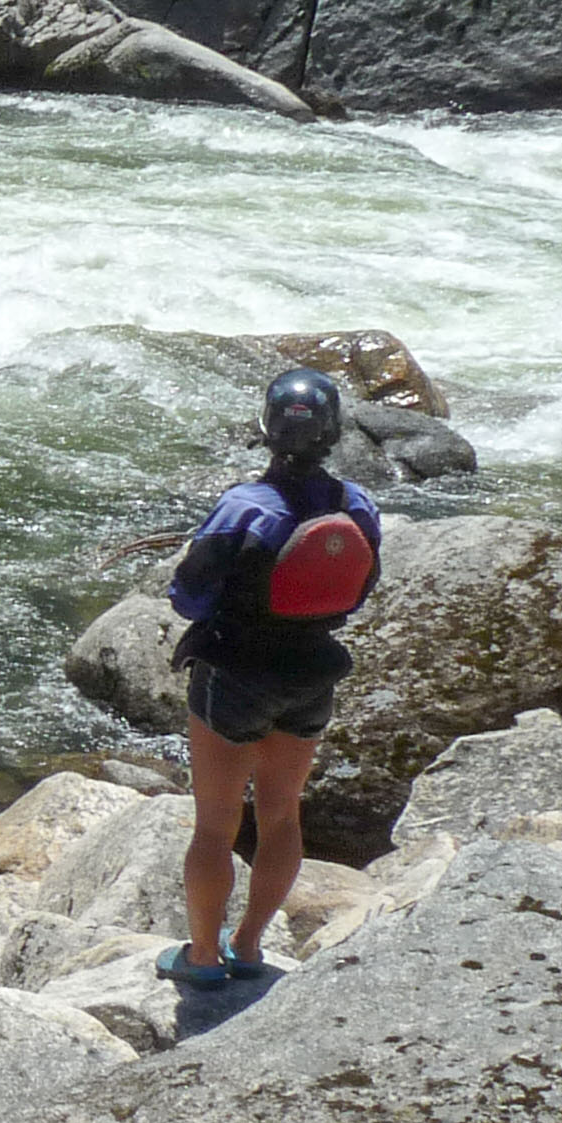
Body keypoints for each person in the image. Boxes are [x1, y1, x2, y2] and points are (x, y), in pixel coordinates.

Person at [157, 366, 383, 1008]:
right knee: (282, 812)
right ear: (334, 435)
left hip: (233, 676)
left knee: (215, 825)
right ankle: (250, 946)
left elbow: (188, 597)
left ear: (266, 430)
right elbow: (361, 589)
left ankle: (203, 958)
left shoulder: (244, 506)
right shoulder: (357, 506)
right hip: (313, 672)